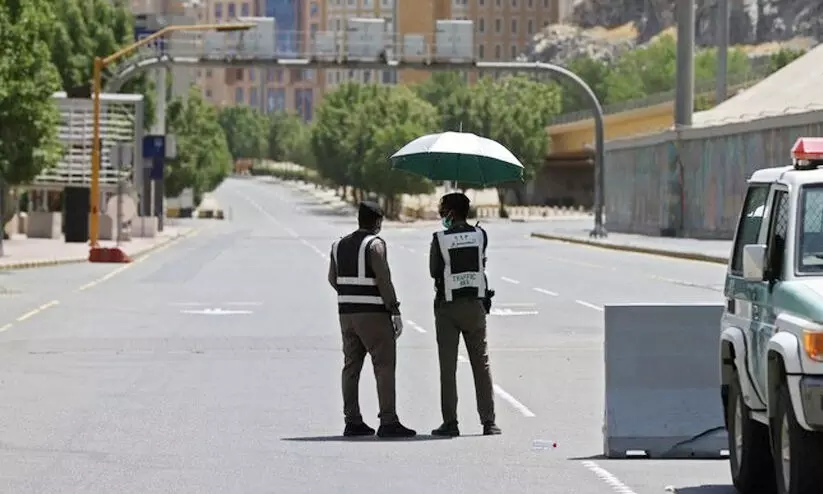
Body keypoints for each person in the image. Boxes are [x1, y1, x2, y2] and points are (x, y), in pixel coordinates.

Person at [328, 201, 416, 438]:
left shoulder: (337, 246)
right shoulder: (375, 245)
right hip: (374, 315)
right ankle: (388, 421)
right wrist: (394, 310)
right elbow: (384, 280)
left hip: (346, 315)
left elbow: (332, 279)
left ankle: (352, 420)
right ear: (377, 222)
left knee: (351, 367)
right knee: (384, 365)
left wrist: (350, 295)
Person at [429, 192, 501, 437]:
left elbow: (434, 271)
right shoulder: (481, 235)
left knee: (448, 368)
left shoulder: (440, 238)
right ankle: (488, 422)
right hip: (475, 306)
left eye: (443, 209)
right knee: (481, 364)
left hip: (448, 307)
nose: (441, 214)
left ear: (451, 212)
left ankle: (451, 423)